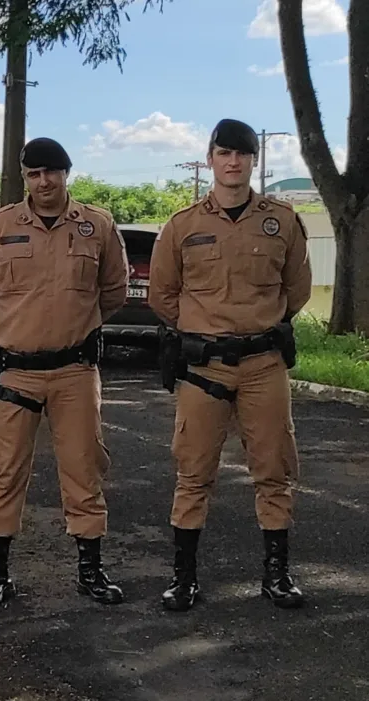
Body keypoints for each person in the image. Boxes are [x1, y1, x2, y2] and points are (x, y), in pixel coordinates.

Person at [149, 118, 312, 612]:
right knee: (194, 470)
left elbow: (296, 289)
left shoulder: (281, 220)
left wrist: (258, 324)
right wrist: (203, 329)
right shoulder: (183, 225)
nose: (233, 161)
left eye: (242, 153)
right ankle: (184, 578)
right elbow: (163, 295)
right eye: (224, 152)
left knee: (274, 469)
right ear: (210, 158)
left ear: (253, 161)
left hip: (264, 364)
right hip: (205, 367)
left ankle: (277, 575)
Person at [0, 137, 129, 608]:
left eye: (52, 172)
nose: (43, 181)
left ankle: (90, 571)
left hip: (75, 371)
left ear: (66, 173)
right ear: (24, 178)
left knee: (84, 470)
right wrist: (10, 325)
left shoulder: (97, 226)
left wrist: (77, 322)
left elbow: (113, 289)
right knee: (4, 471)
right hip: (16, 372)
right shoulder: (0, 226)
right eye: (34, 174)